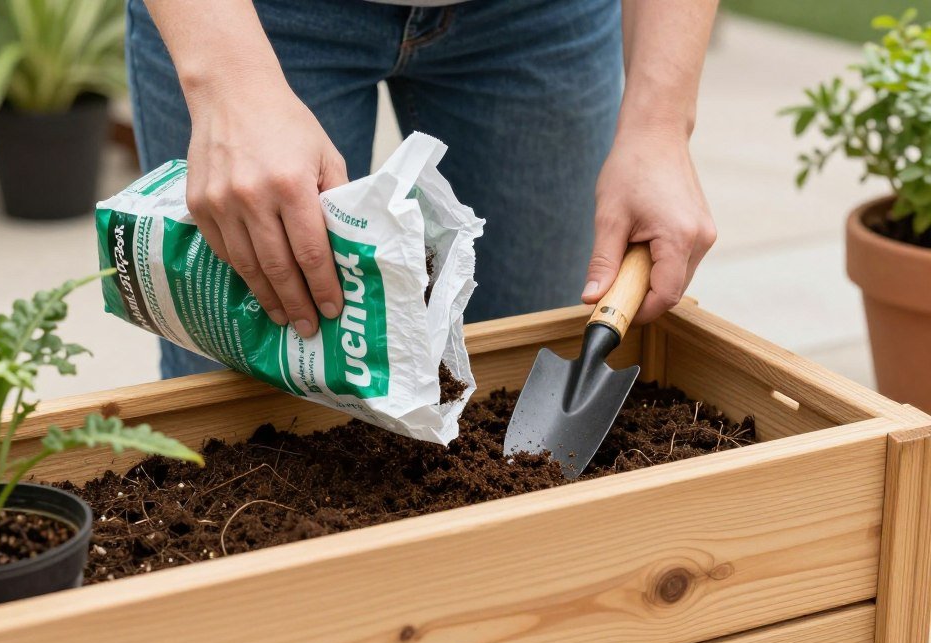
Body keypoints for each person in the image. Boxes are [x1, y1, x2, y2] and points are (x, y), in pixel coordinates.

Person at [127, 0, 718, 378]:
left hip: (539, 21)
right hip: (252, 20)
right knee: (248, 391)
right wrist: (229, 80)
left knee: (520, 354)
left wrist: (660, 123)